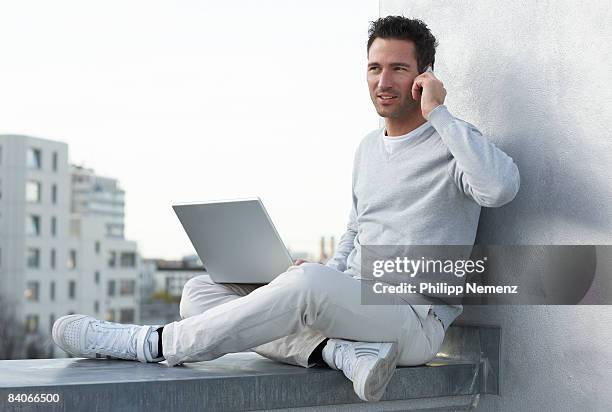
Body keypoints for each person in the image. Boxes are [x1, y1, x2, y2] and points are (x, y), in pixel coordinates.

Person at [52, 16, 519, 402]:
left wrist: (439, 112)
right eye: (375, 68)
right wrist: (325, 275)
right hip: (353, 306)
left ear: (424, 76)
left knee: (301, 286)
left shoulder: (456, 142)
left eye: (398, 68)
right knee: (200, 293)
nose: (383, 81)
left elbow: (499, 188)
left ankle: (152, 343)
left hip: (414, 320)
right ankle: (338, 353)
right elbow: (355, 234)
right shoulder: (367, 149)